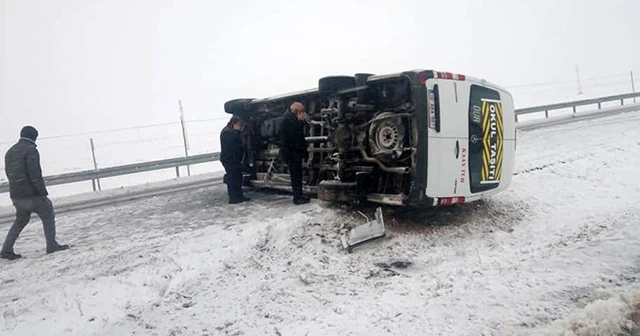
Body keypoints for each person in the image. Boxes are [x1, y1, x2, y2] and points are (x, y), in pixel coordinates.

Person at [1, 126, 69, 260]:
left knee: (20, 221)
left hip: (16, 195)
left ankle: (6, 250)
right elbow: (35, 174)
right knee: (48, 214)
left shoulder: (10, 151)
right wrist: (43, 193)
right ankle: (51, 245)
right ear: (34, 137)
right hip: (31, 195)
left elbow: (10, 174)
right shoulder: (31, 150)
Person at [280, 102, 310, 205]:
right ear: (297, 112)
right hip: (292, 154)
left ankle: (299, 195)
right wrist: (301, 122)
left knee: (297, 175)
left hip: (292, 153)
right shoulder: (290, 122)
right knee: (296, 176)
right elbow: (296, 138)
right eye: (302, 112)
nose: (303, 114)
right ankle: (297, 197)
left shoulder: (290, 119)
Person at [220, 116, 250, 204]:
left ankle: (239, 196)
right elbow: (231, 143)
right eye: (240, 125)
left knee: (237, 178)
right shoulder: (227, 132)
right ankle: (233, 198)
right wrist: (237, 131)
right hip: (229, 159)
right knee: (232, 179)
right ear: (235, 124)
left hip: (234, 159)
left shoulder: (231, 131)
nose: (241, 127)